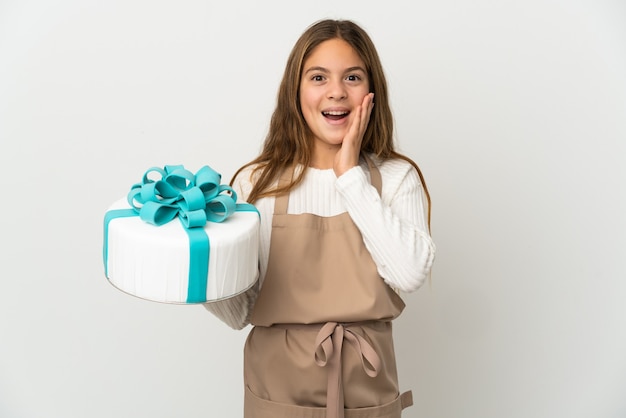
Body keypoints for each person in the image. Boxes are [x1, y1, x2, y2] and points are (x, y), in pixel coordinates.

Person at [204, 18, 436, 418]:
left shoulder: (397, 179)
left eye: (352, 77)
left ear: (371, 90)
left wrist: (350, 177)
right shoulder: (256, 184)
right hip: (275, 396)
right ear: (295, 91)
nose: (336, 92)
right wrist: (197, 258)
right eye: (318, 77)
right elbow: (239, 311)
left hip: (367, 395)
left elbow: (410, 274)